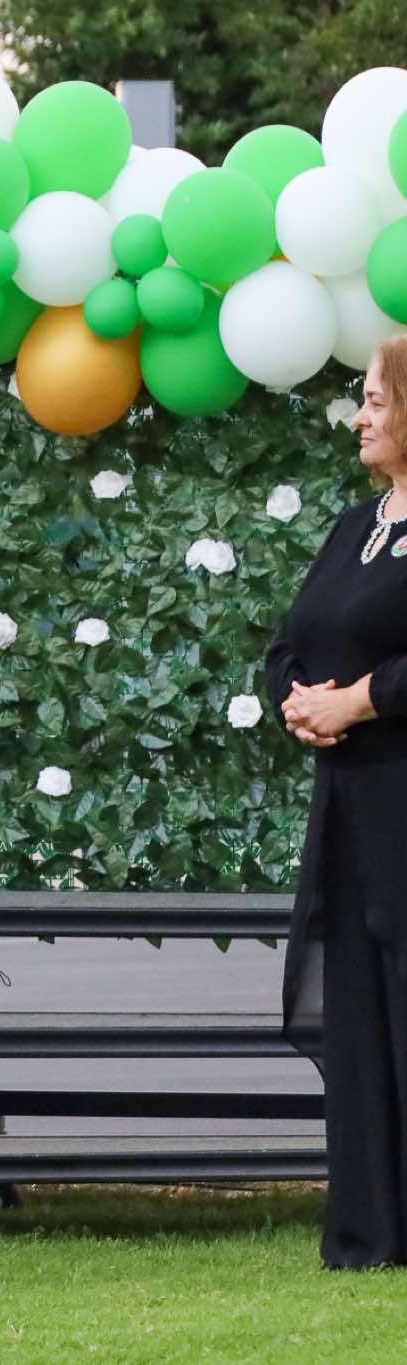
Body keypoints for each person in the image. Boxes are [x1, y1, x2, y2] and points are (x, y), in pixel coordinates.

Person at [269, 334, 407, 1268]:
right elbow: (293, 638)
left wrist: (364, 699)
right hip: (352, 811)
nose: (359, 417)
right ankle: (371, 1228)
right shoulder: (357, 524)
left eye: (376, 401)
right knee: (360, 1008)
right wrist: (297, 701)